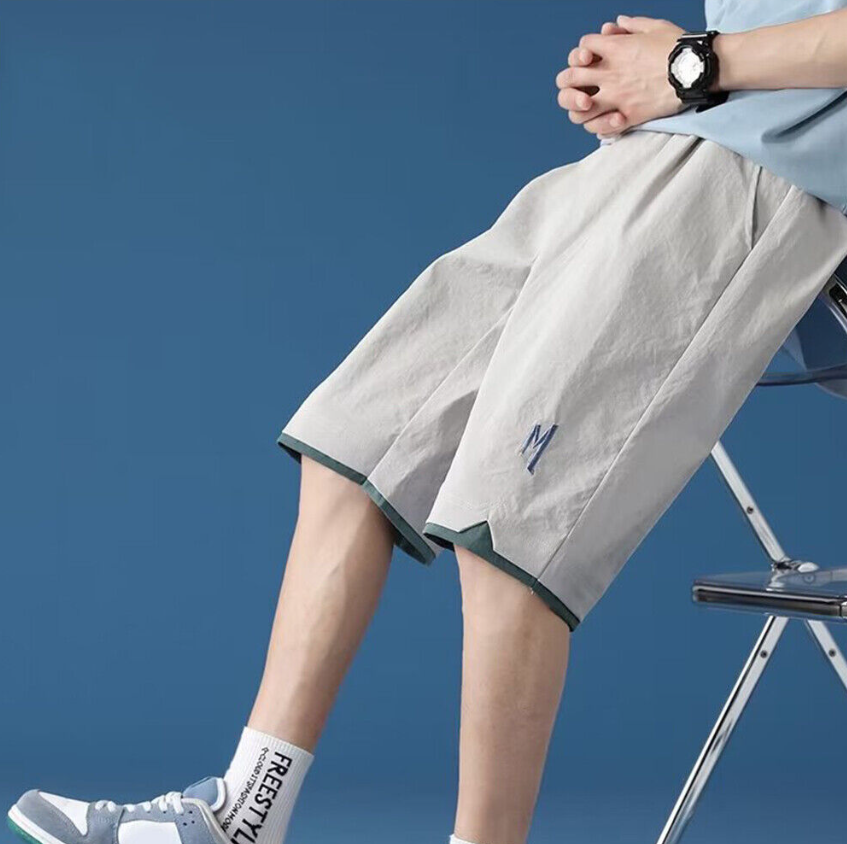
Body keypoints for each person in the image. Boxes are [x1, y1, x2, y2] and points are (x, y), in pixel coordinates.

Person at [7, 3, 847, 844]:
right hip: (659, 152)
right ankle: (242, 816)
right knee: (358, 441)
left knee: (505, 519)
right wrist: (652, 77)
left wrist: (691, 65)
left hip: (760, 180)